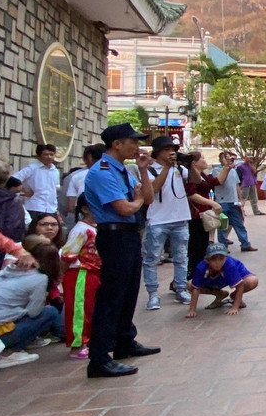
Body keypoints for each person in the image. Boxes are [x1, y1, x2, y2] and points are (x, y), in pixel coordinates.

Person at [82, 122, 159, 379]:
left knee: (128, 292)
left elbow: (147, 199)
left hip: (128, 235)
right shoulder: (102, 171)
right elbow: (125, 208)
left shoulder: (124, 169)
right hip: (114, 235)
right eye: (133, 142)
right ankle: (100, 358)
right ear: (117, 144)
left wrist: (144, 171)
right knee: (112, 297)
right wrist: (136, 200)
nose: (137, 146)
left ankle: (124, 341)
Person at [0, 235, 66, 368]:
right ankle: (8, 354)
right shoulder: (40, 278)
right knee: (50, 312)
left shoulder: (5, 271)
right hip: (0, 334)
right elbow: (34, 312)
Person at [143, 136, 191, 310]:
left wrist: (190, 163)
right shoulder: (150, 170)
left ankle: (181, 288)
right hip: (158, 220)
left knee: (181, 257)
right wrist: (167, 168)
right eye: (166, 149)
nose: (171, 152)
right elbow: (154, 189)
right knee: (152, 259)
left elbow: (195, 180)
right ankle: (153, 294)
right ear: (157, 153)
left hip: (180, 218)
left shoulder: (180, 169)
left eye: (173, 149)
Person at [60, 194, 100, 359]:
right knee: (79, 310)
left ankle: (88, 340)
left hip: (94, 273)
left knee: (90, 309)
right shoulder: (81, 230)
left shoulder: (95, 227)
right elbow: (67, 254)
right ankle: (77, 345)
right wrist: (61, 278)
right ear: (84, 209)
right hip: (80, 273)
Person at [186, 242, 259, 317]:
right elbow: (196, 288)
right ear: (207, 260)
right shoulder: (201, 268)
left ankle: (234, 296)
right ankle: (220, 294)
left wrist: (235, 307)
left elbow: (240, 285)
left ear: (226, 258)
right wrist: (192, 310)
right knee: (190, 285)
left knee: (252, 281)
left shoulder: (230, 265)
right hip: (214, 281)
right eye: (213, 259)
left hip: (233, 276)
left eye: (221, 259)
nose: (218, 263)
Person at [180, 151, 222, 278]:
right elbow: (191, 194)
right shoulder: (189, 176)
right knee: (195, 248)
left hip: (204, 215)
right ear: (194, 163)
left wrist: (227, 167)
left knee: (203, 246)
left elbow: (217, 181)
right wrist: (212, 203)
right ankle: (190, 277)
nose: (205, 160)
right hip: (195, 215)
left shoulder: (202, 175)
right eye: (202, 158)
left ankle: (198, 275)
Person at [214, 152, 257, 253]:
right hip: (222, 201)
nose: (232, 161)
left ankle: (245, 244)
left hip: (233, 201)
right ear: (221, 159)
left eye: (233, 159)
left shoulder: (233, 171)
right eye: (229, 159)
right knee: (222, 226)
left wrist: (240, 199)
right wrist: (226, 168)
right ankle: (223, 246)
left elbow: (237, 185)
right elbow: (220, 181)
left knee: (239, 223)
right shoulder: (216, 171)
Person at [61, 144, 104, 229]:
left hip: (83, 220)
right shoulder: (119, 174)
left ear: (89, 158)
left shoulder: (76, 176)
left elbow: (70, 206)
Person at [13, 143, 61, 219]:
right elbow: (13, 179)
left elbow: (56, 188)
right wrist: (24, 189)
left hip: (52, 209)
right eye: (46, 154)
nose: (49, 157)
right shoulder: (32, 168)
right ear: (39, 156)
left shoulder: (55, 171)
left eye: (52, 154)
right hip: (35, 208)